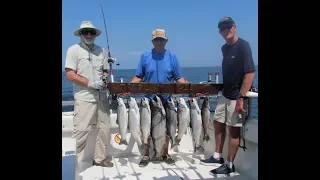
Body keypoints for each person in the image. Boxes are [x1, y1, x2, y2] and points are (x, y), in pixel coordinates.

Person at [200, 17, 255, 175]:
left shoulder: (243, 46)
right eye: (223, 29)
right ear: (220, 32)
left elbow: (250, 73)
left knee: (234, 131)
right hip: (225, 94)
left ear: (235, 27)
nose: (226, 31)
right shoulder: (224, 48)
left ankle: (230, 165)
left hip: (237, 97)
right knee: (217, 123)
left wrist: (241, 97)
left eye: (228, 27)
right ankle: (218, 156)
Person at [129, 29, 188, 167]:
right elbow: (139, 76)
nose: (159, 42)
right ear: (152, 41)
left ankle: (164, 153)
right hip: (149, 99)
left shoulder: (172, 56)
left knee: (167, 127)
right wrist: (128, 87)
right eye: (156, 39)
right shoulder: (145, 56)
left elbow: (178, 77)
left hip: (167, 99)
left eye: (161, 39)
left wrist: (188, 88)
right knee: (147, 127)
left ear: (166, 41)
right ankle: (145, 155)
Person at [64, 21, 115, 168]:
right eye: (85, 32)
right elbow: (70, 75)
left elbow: (105, 71)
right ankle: (74, 166)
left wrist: (104, 80)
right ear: (80, 34)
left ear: (95, 35)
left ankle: (99, 159)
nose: (88, 35)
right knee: (81, 132)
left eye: (91, 32)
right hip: (84, 98)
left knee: (105, 128)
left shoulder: (101, 50)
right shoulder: (73, 50)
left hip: (102, 98)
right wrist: (90, 83)